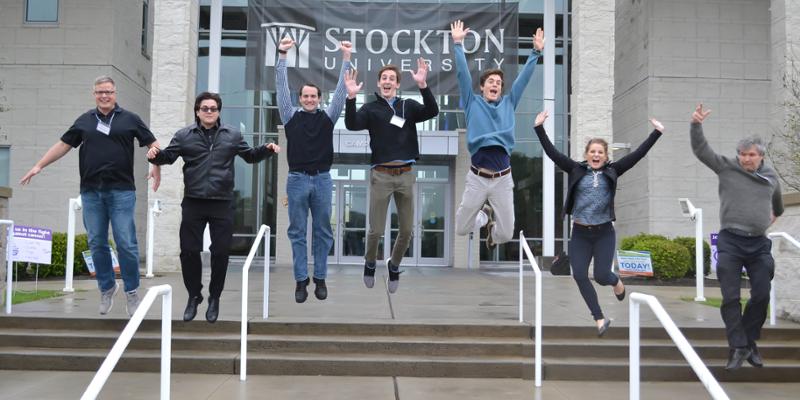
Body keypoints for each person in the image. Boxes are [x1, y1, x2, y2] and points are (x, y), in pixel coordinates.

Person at [20, 75, 162, 317]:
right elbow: (63, 145)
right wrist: (39, 165)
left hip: (122, 192)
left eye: (108, 91)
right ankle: (107, 288)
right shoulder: (85, 121)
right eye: (99, 92)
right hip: (92, 192)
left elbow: (153, 144)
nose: (104, 96)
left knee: (126, 243)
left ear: (115, 93)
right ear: (94, 94)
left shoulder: (130, 119)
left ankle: (131, 292)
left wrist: (156, 164)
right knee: (96, 242)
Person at [147, 92, 280, 323]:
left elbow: (249, 156)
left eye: (213, 108)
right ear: (197, 111)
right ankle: (194, 295)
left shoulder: (232, 135)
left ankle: (214, 297)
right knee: (189, 251)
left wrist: (266, 149)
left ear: (219, 111)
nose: (209, 112)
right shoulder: (184, 135)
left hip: (222, 202)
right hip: (194, 201)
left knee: (220, 253)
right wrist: (154, 156)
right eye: (205, 108)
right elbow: (168, 157)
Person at [534, 110, 664, 337]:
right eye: (592, 151)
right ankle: (599, 318)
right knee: (580, 275)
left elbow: (638, 155)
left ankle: (617, 283)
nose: (596, 155)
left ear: (605, 156)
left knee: (603, 276)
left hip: (604, 233)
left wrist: (656, 133)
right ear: (587, 154)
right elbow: (553, 154)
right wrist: (539, 129)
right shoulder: (576, 169)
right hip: (580, 233)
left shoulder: (613, 171)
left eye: (600, 152)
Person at [689, 103, 783, 370]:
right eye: (742, 154)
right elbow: (701, 151)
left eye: (750, 155)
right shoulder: (727, 167)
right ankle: (737, 347)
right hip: (731, 240)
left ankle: (749, 341)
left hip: (758, 244)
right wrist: (696, 125)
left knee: (762, 295)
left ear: (761, 156)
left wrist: (769, 217)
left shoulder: (771, 178)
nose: (745, 159)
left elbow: (777, 206)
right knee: (730, 297)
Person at [344, 59, 439, 293]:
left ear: (397, 84)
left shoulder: (408, 106)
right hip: (381, 175)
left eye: (391, 79)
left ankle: (394, 265)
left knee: (407, 231)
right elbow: (351, 124)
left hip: (406, 174)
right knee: (375, 230)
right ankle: (369, 263)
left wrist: (423, 85)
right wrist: (351, 98)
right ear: (378, 83)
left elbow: (432, 111)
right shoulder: (370, 109)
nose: (387, 82)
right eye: (383, 78)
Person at [449, 20, 543, 250]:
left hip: (502, 178)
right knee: (461, 229)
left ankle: (490, 229)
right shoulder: (473, 103)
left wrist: (536, 52)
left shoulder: (509, 103)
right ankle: (481, 217)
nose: (495, 85)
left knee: (506, 233)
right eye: (491, 82)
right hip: (477, 178)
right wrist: (458, 44)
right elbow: (462, 74)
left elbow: (523, 80)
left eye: (499, 83)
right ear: (482, 87)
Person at [276, 37, 351, 303]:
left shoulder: (327, 117)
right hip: (296, 180)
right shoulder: (290, 115)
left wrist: (346, 59)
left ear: (320, 99)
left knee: (322, 231)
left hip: (321, 180)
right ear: (300, 99)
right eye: (305, 96)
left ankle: (319, 278)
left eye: (313, 96)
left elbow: (341, 92)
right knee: (297, 232)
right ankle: (300, 281)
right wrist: (282, 56)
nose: (309, 99)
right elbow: (281, 88)